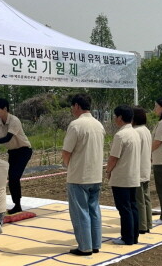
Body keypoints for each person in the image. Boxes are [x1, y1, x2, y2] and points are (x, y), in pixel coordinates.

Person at [62, 93, 105, 256]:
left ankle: (85, 246)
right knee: (94, 210)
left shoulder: (76, 125)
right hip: (95, 174)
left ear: (77, 106)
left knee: (80, 212)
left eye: (73, 106)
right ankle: (95, 244)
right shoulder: (98, 124)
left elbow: (66, 152)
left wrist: (68, 166)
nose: (72, 110)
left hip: (79, 175)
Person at [106, 105, 141, 245]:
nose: (115, 119)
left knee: (124, 208)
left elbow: (113, 157)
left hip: (121, 177)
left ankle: (127, 238)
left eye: (115, 116)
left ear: (120, 117)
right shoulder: (135, 133)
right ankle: (134, 236)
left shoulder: (120, 135)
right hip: (133, 175)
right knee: (132, 206)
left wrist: (108, 171)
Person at [0, 98, 32, 214]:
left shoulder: (14, 120)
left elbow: (7, 138)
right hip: (12, 152)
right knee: (11, 178)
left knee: (14, 177)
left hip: (24, 151)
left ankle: (17, 204)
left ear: (5, 109)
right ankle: (17, 204)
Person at [132, 106, 153, 234]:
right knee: (146, 198)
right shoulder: (146, 130)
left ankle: (142, 225)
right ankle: (148, 223)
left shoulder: (136, 132)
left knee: (139, 200)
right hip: (145, 168)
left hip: (138, 170)